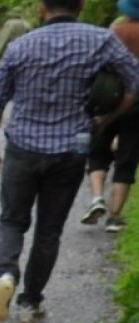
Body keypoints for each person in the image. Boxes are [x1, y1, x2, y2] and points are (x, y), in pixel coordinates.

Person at [0, 0, 139, 323]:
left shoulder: (20, 45)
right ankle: (29, 303)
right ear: (80, 6)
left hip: (23, 147)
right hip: (70, 150)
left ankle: (6, 275)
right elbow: (134, 83)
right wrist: (108, 118)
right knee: (49, 231)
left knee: (12, 220)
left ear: (42, 8)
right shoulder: (101, 39)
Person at [80, 0, 139, 233]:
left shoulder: (115, 31)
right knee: (127, 158)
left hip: (109, 100)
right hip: (136, 106)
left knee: (98, 150)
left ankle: (97, 198)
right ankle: (114, 217)